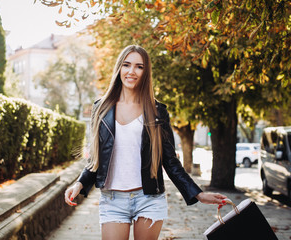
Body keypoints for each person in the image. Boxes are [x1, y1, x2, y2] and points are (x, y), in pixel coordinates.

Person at [65, 45, 227, 240]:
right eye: (126, 65)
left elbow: (170, 160)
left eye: (139, 67)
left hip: (149, 198)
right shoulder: (101, 109)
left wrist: (198, 194)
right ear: (119, 68)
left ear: (145, 72)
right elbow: (96, 157)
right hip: (112, 200)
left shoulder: (157, 111)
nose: (131, 71)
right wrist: (80, 184)